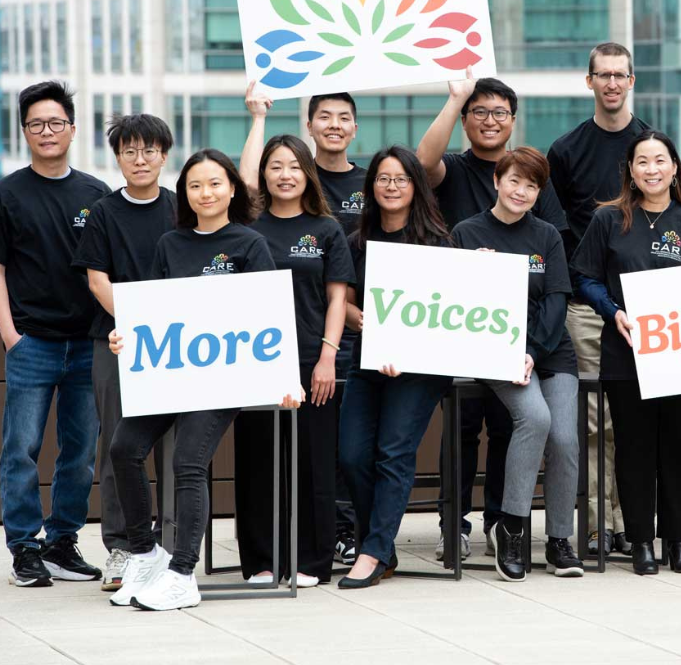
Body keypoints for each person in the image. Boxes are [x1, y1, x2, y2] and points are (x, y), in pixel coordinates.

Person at [106, 149, 302, 611]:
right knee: (124, 448)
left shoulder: (250, 244)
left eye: (215, 183)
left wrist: (284, 378)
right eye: (195, 185)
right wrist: (125, 337)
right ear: (185, 194)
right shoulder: (169, 245)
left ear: (232, 188)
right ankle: (144, 554)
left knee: (187, 464)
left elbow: (269, 315)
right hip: (171, 375)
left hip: (223, 380)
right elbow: (153, 311)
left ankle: (181, 575)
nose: (205, 193)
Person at [416, 71, 569, 559]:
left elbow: (556, 283)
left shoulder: (539, 212)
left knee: (512, 430)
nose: (489, 119)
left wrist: (532, 348)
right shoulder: (455, 171)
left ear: (513, 121)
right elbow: (423, 163)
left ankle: (501, 522)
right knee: (461, 431)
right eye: (479, 111)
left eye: (499, 112)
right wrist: (456, 96)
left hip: (525, 343)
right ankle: (453, 525)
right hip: (474, 337)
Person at [0, 80, 110, 588]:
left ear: (71, 129)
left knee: (80, 452)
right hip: (32, 343)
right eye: (35, 124)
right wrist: (10, 336)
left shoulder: (96, 194)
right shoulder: (5, 194)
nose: (46, 132)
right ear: (24, 131)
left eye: (55, 123)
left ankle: (61, 542)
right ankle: (24, 548)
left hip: (88, 344)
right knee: (20, 448)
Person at [572, 130, 681, 575]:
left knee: (677, 451)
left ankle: (680, 541)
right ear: (631, 172)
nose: (652, 169)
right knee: (633, 451)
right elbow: (585, 277)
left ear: (674, 168)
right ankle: (640, 542)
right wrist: (612, 311)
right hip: (625, 353)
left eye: (660, 161)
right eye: (642, 162)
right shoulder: (608, 220)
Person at [240, 83, 362, 564]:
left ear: (307, 174)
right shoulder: (248, 226)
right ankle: (261, 560)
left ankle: (313, 560)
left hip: (315, 359)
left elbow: (337, 298)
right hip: (258, 360)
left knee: (315, 463)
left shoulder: (327, 228)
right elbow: (244, 177)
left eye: (294, 167)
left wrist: (328, 357)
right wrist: (258, 118)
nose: (285, 175)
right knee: (260, 461)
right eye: (276, 167)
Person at [452, 147, 583, 581]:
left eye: (531, 185)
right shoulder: (467, 233)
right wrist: (474, 273)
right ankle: (512, 527)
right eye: (514, 181)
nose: (521, 191)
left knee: (564, 437)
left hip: (548, 350)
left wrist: (532, 353)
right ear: (496, 181)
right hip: (492, 349)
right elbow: (452, 303)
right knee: (535, 417)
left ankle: (561, 539)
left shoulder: (547, 235)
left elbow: (556, 299)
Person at [548, 41, 652, 556]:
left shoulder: (652, 144)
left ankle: (630, 522)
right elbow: (555, 230)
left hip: (649, 311)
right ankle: (595, 524)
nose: (612, 83)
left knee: (630, 423)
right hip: (588, 309)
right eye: (603, 75)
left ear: (632, 81)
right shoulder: (566, 150)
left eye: (620, 75)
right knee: (593, 423)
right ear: (588, 81)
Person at [337, 146, 454, 589]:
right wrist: (362, 321)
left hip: (421, 367)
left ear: (415, 187)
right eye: (383, 179)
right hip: (369, 358)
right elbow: (343, 304)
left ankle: (373, 550)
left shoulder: (438, 241)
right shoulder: (356, 242)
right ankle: (379, 547)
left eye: (401, 179)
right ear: (371, 188)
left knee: (393, 453)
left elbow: (451, 308)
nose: (391, 186)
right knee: (351, 454)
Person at [72, 113, 176, 592]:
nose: (140, 159)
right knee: (118, 445)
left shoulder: (183, 208)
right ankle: (121, 546)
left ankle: (173, 545)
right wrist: (138, 325)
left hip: (180, 345)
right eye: (130, 151)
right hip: (116, 341)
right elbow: (97, 279)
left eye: (149, 150)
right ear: (117, 157)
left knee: (175, 448)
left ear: (163, 155)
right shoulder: (103, 213)